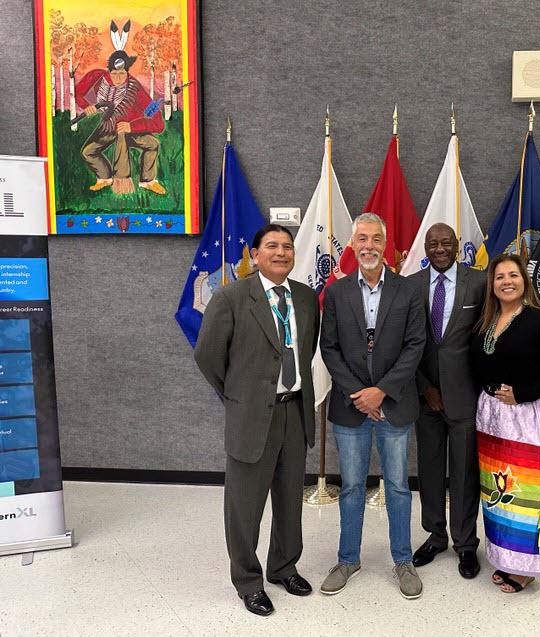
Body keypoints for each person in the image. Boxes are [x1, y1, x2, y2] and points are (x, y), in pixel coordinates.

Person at [194, 224, 320, 616]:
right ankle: (248, 581)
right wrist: (240, 395)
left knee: (288, 499)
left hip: (294, 411)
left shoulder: (305, 297)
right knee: (245, 505)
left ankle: (283, 567)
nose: (281, 252)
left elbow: (306, 348)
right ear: (255, 252)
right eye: (272, 246)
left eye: (287, 246)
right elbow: (209, 355)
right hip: (251, 416)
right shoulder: (232, 296)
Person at [320, 213, 426, 599]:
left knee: (398, 486)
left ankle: (403, 560)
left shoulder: (409, 290)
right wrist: (359, 396)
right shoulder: (335, 292)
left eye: (376, 238)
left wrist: (381, 391)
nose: (369, 245)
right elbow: (328, 348)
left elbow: (416, 345)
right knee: (350, 487)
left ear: (386, 244)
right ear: (352, 244)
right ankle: (348, 558)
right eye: (362, 238)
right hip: (351, 408)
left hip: (394, 405)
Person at [469, 254, 540, 593]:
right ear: (492, 284)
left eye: (513, 275)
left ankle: (525, 565)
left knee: (525, 493)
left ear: (524, 281)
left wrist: (522, 393)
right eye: (499, 277)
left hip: (527, 417)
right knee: (499, 491)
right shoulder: (487, 320)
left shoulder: (539, 320)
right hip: (492, 418)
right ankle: (504, 557)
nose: (506, 281)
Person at [408, 223, 486, 579]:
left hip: (466, 396)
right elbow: (406, 343)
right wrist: (425, 387)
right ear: (424, 247)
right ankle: (436, 535)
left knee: (465, 472)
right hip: (426, 397)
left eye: (446, 243)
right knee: (430, 469)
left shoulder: (481, 283)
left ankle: (466, 544)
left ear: (458, 246)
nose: (439, 248)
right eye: (432, 243)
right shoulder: (411, 286)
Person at [76, 38, 166, 195]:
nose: (118, 78)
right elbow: (77, 93)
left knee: (152, 143)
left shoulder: (135, 88)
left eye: (122, 74)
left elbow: (158, 121)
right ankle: (105, 178)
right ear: (108, 71)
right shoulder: (97, 76)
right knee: (87, 152)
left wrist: (132, 126)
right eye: (114, 73)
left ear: (128, 72)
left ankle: (147, 181)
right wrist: (86, 106)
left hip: (131, 131)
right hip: (108, 127)